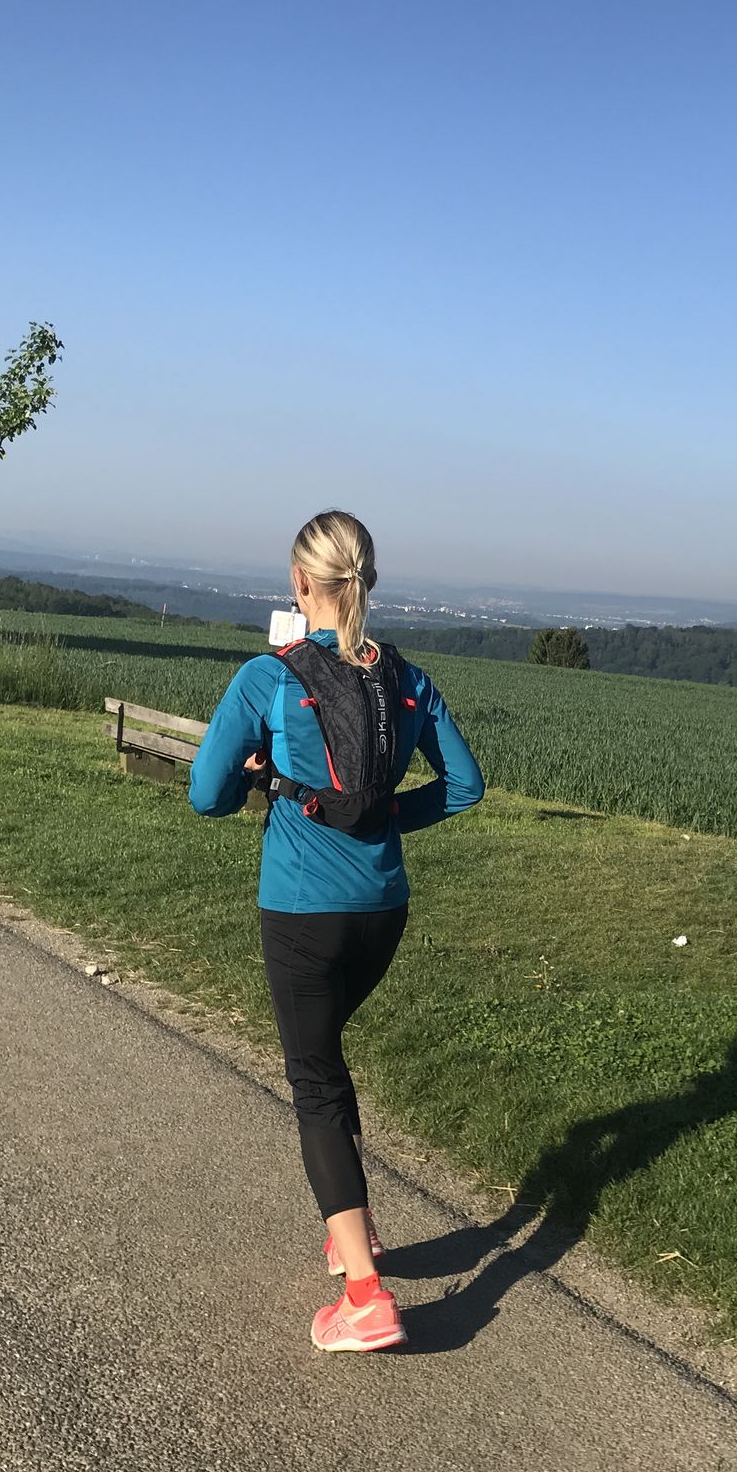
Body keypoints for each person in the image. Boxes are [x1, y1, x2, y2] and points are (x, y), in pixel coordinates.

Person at [188, 510, 483, 1352]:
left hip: (302, 913)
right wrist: (383, 818)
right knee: (326, 1058)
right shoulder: (410, 681)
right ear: (367, 580)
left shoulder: (269, 678)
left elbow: (205, 795)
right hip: (383, 913)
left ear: (299, 584)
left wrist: (262, 784)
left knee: (313, 1082)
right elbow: (465, 787)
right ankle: (354, 1230)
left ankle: (366, 1298)